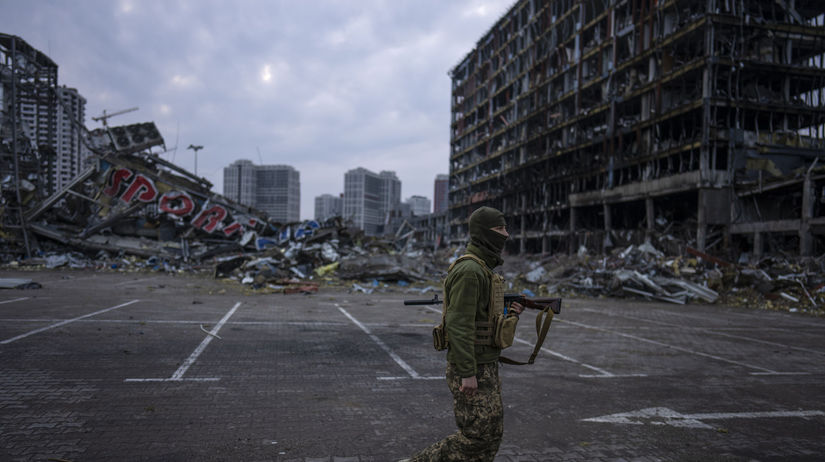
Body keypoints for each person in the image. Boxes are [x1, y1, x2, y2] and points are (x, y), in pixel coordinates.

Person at [405, 206, 523, 462]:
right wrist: (468, 373)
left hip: (485, 364)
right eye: (500, 229)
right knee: (475, 438)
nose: (507, 234)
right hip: (472, 368)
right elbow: (459, 325)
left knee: (490, 435)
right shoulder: (470, 271)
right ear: (484, 233)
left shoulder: (484, 269)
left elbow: (483, 316)